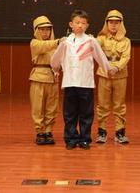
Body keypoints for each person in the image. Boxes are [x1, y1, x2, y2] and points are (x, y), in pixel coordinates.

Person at [50, 9, 117, 150]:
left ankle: (85, 138)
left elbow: (100, 56)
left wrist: (108, 69)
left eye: (83, 23)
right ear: (71, 24)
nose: (80, 25)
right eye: (77, 22)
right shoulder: (65, 42)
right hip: (69, 81)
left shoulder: (91, 41)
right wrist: (55, 68)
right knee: (70, 113)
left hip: (85, 82)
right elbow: (55, 59)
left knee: (86, 113)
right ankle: (71, 138)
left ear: (87, 25)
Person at [95, 10, 132, 144]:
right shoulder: (101, 39)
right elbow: (95, 51)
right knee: (102, 105)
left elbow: (126, 57)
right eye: (111, 22)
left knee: (119, 105)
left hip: (120, 75)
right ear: (107, 23)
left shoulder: (126, 41)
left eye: (117, 22)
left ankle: (120, 132)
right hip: (104, 74)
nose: (113, 25)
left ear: (121, 24)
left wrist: (116, 67)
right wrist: (106, 67)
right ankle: (102, 132)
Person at [29, 15, 60, 145]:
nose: (45, 32)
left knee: (51, 107)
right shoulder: (35, 43)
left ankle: (48, 130)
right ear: (36, 31)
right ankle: (39, 131)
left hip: (52, 78)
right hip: (38, 77)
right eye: (42, 29)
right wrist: (58, 42)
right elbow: (43, 47)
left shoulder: (56, 45)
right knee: (38, 106)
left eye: (48, 29)